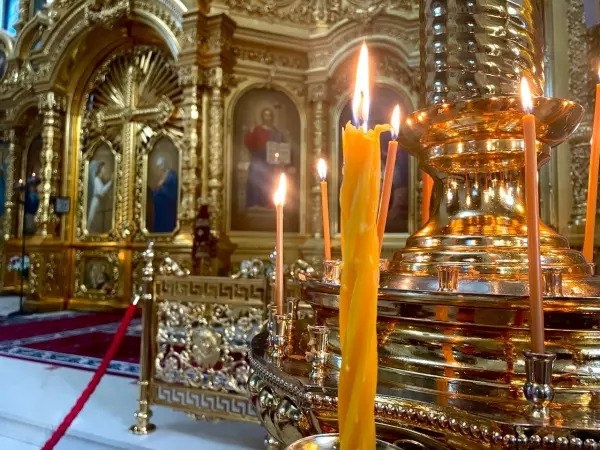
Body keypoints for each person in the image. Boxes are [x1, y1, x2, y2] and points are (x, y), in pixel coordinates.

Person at [243, 107, 286, 207]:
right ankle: (254, 204)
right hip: (258, 159)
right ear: (262, 117)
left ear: (272, 117)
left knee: (269, 182)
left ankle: (268, 204)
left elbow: (281, 148)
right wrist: (250, 132)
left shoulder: (276, 132)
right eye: (266, 115)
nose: (268, 117)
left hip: (271, 161)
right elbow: (250, 144)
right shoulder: (256, 130)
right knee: (255, 181)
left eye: (269, 115)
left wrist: (280, 157)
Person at [150, 156, 178, 232]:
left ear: (164, 164)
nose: (160, 168)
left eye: (160, 165)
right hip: (159, 206)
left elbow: (172, 191)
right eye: (158, 166)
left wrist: (161, 188)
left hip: (168, 205)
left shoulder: (172, 175)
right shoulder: (162, 175)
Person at [87, 161, 113, 233]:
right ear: (100, 169)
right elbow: (101, 192)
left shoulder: (99, 180)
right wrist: (110, 182)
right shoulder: (96, 179)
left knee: (96, 219)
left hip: (98, 201)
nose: (104, 170)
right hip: (95, 201)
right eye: (103, 169)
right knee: (92, 218)